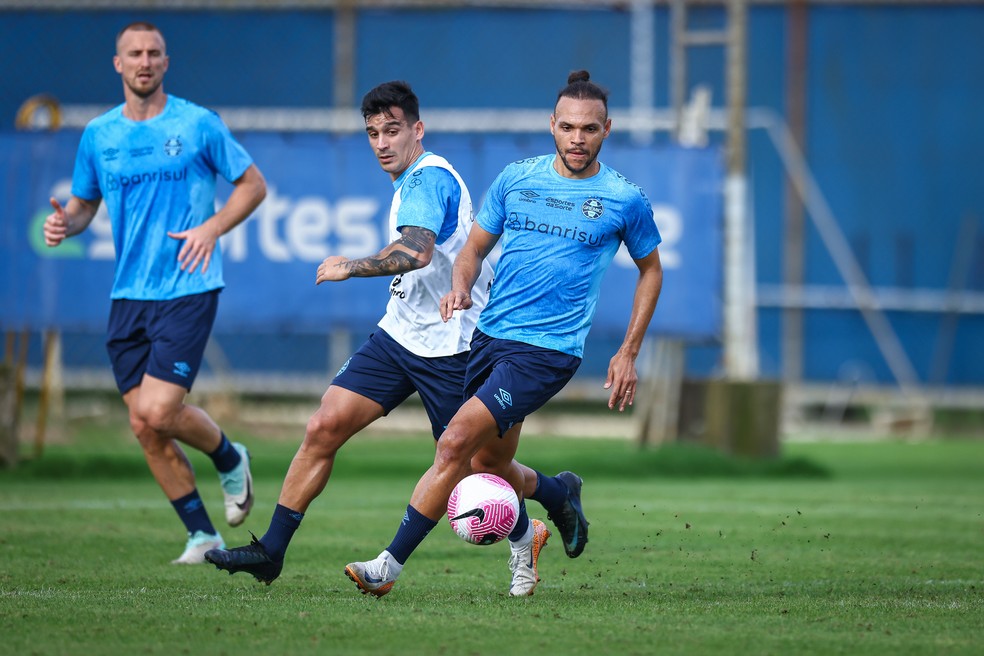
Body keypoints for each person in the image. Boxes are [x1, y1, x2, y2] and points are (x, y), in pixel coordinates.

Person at [203, 81, 588, 589]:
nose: (382, 142)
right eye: (373, 133)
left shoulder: (428, 179)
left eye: (392, 130)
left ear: (417, 130)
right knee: (324, 426)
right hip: (400, 334)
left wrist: (349, 266)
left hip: (455, 345)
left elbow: (416, 252)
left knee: (480, 468)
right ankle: (270, 551)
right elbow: (411, 252)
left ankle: (553, 498)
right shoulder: (409, 181)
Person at [344, 70, 664, 598]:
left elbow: (651, 270)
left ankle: (388, 566)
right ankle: (557, 496)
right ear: (552, 125)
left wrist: (628, 352)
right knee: (486, 463)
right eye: (567, 127)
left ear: (607, 129)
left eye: (589, 129)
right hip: (490, 337)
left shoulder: (623, 198)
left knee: (453, 442)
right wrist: (460, 287)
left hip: (547, 352)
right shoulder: (517, 178)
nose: (577, 139)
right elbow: (472, 248)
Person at [43, 21, 267, 564]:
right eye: (134, 53)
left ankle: (229, 457)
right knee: (144, 425)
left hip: (188, 284)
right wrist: (66, 223)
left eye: (153, 53)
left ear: (166, 63)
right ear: (118, 64)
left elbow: (253, 185)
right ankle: (202, 535)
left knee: (160, 410)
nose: (144, 61)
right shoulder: (99, 135)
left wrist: (212, 227)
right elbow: (84, 204)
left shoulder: (198, 124)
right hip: (129, 295)